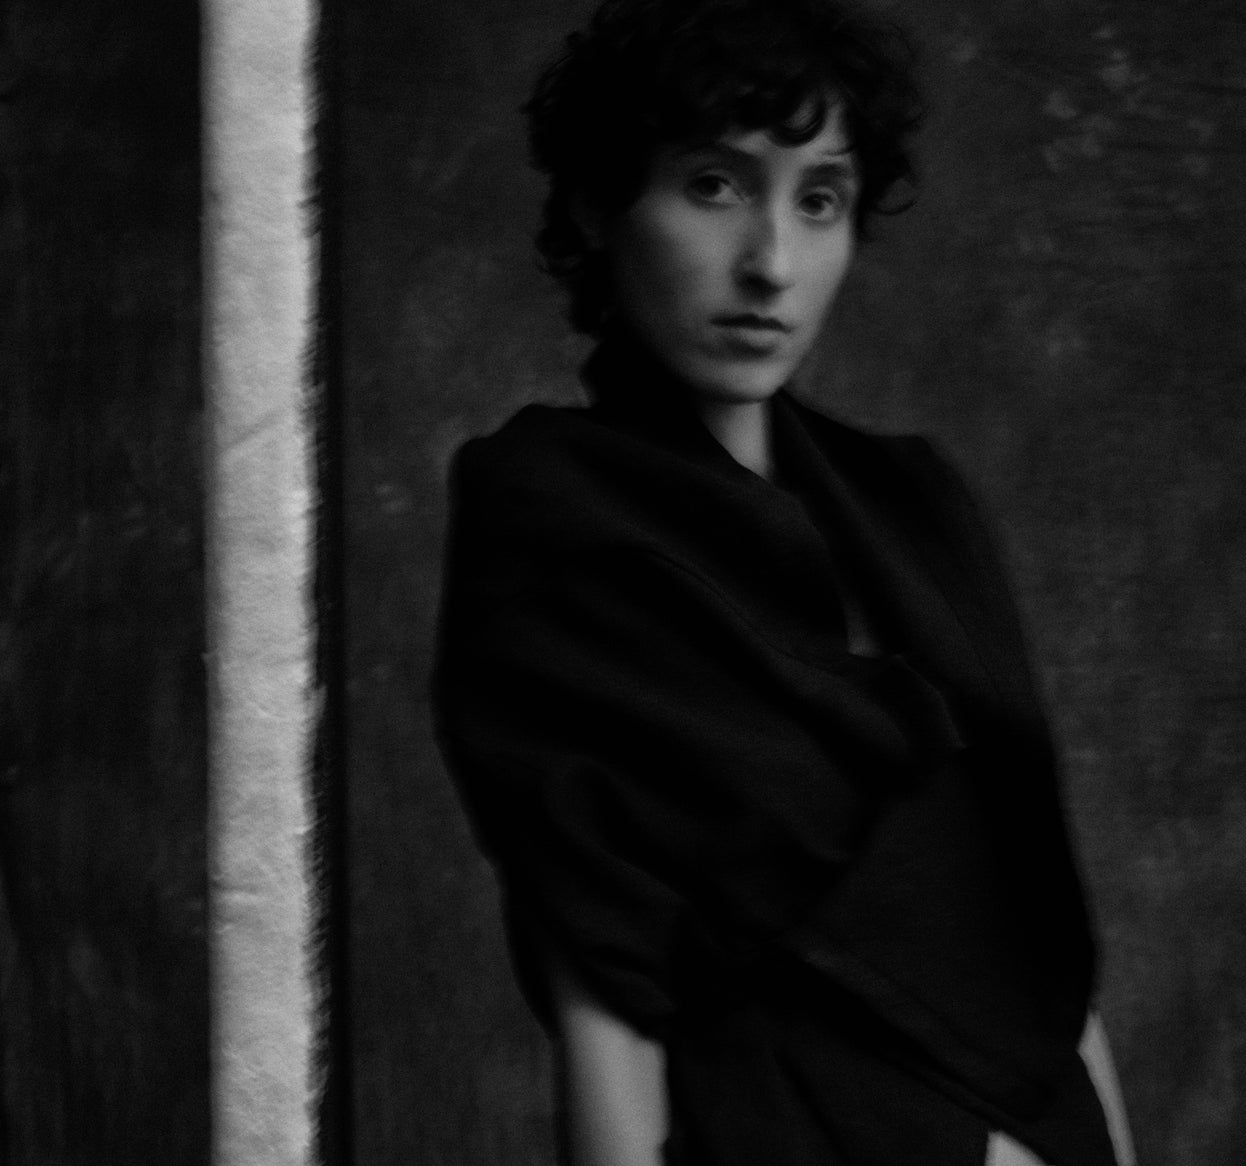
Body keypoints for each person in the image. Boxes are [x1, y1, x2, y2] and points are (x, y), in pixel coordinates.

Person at [432, 1, 1135, 1163]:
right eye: (715, 185)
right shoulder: (555, 519)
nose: (770, 263)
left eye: (819, 199)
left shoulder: (914, 505)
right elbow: (602, 982)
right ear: (598, 202)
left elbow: (1036, 931)